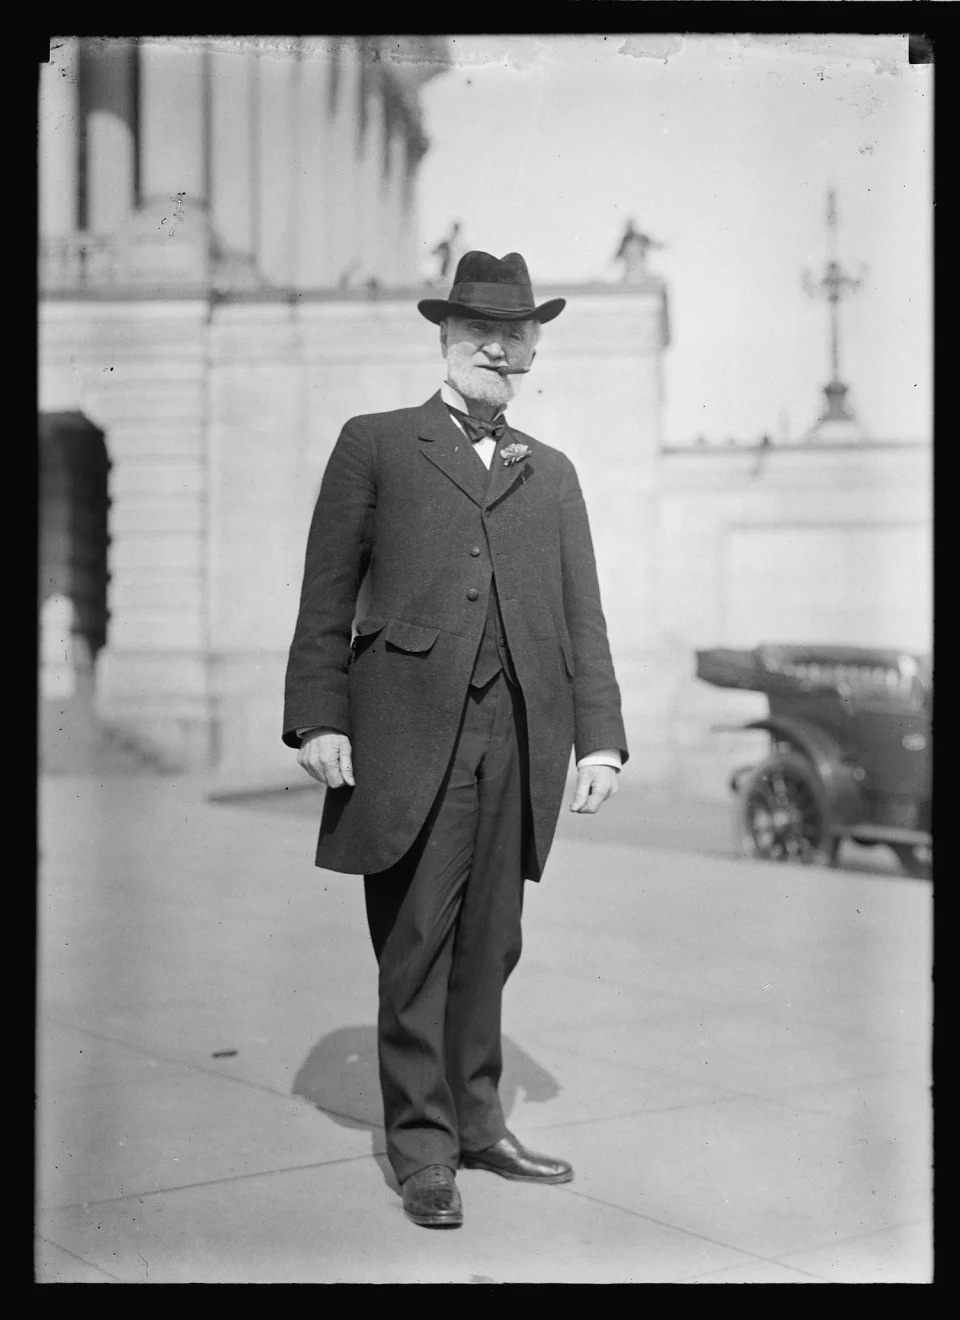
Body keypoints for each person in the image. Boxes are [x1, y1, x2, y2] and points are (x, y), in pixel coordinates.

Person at [283, 250, 628, 1228]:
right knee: (417, 941)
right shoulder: (377, 445)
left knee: (493, 943)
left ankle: (478, 1124)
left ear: (531, 350)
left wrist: (600, 739)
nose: (497, 346)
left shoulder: (551, 474)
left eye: (515, 333)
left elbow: (583, 618)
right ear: (444, 337)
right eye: (479, 329)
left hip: (521, 735)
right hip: (405, 735)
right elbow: (324, 597)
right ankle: (424, 1149)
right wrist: (319, 715)